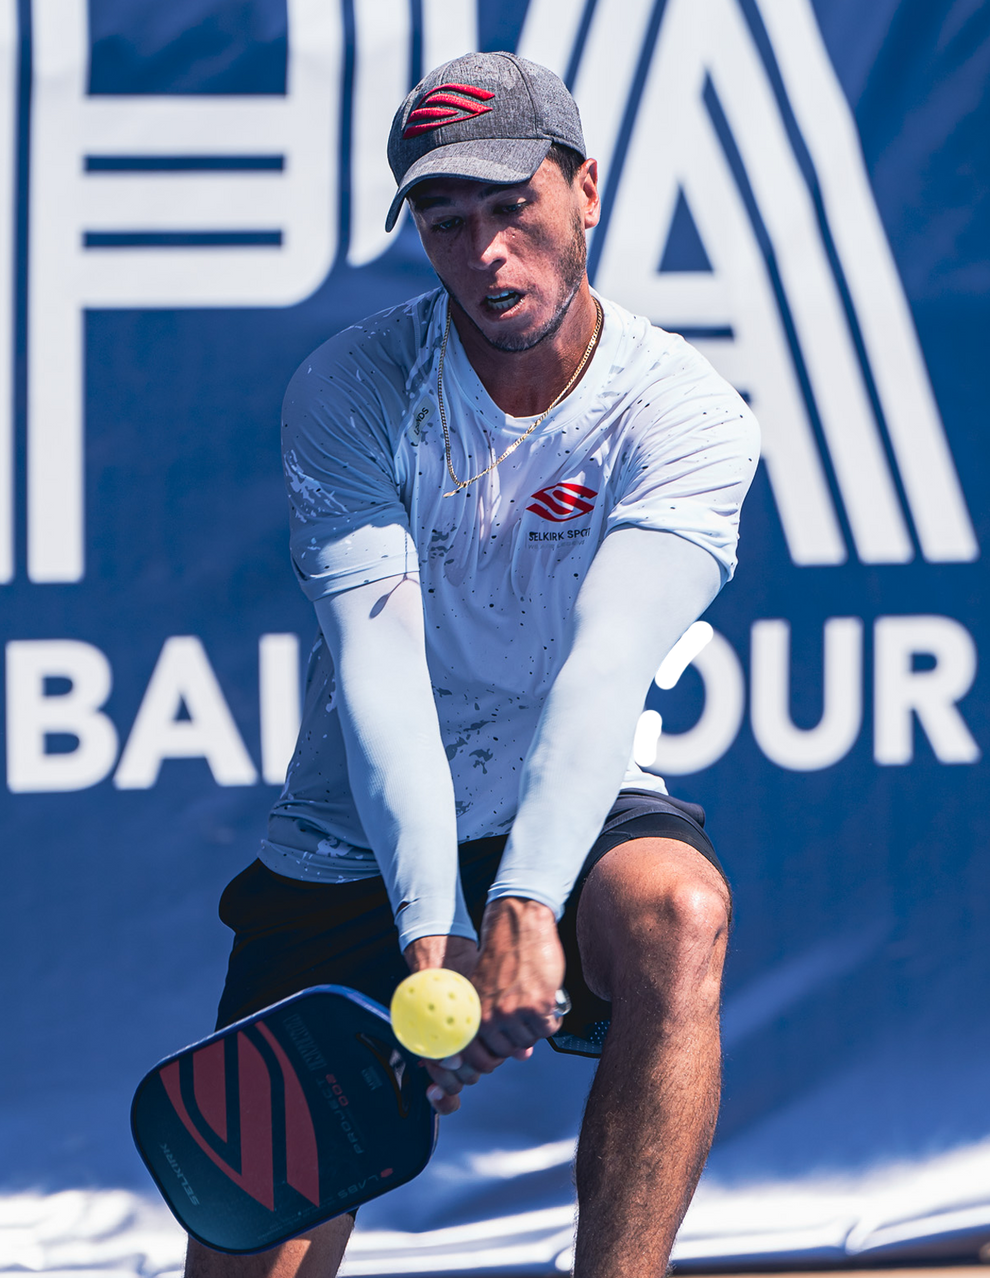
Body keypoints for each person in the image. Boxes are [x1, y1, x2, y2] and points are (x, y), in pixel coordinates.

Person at [188, 51, 759, 1278]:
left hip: (569, 787)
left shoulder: (685, 417)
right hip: (356, 834)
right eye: (448, 223)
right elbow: (379, 679)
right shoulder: (352, 389)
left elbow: (606, 672)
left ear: (585, 192)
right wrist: (431, 925)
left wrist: (523, 901)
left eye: (515, 207)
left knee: (679, 916)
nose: (488, 252)